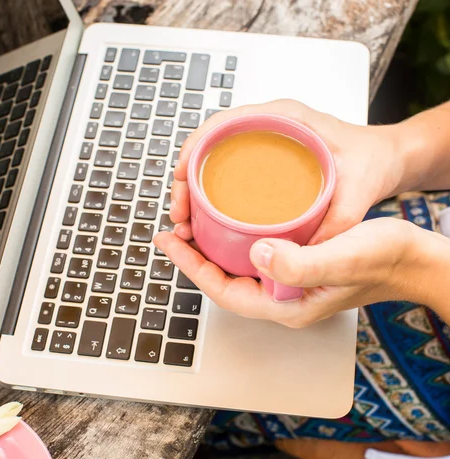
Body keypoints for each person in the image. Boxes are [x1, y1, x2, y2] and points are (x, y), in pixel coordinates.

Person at [153, 99, 450, 459]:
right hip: (394, 227)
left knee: (208, 414)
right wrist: (396, 150)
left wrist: (414, 267)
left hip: (397, 397)